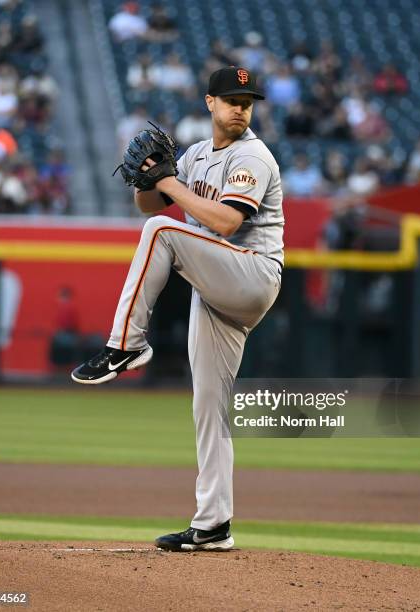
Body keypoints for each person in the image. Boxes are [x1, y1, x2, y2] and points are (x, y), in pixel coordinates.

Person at [71, 67, 284, 552]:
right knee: (209, 406)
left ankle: (126, 345)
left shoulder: (253, 155)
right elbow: (149, 204)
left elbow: (227, 222)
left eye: (247, 101)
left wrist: (170, 183)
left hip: (252, 274)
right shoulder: (195, 156)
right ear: (210, 102)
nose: (240, 107)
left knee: (162, 235)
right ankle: (213, 525)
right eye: (231, 99)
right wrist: (149, 179)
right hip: (216, 288)